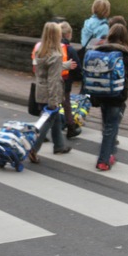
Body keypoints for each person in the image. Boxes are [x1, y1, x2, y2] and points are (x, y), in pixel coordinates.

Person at [91, 24, 128, 171]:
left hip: (100, 93)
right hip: (116, 95)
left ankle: (109, 154)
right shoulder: (124, 54)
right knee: (111, 127)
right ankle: (103, 160)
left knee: (108, 125)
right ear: (125, 37)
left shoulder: (100, 51)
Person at [28, 22, 75, 164]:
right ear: (56, 36)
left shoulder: (40, 51)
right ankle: (33, 149)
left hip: (40, 90)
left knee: (54, 119)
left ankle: (59, 145)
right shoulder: (56, 55)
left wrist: (65, 65)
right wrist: (54, 101)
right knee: (47, 122)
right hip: (50, 94)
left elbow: (47, 69)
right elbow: (54, 80)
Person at [59, 21, 82, 138]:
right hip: (65, 81)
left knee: (51, 105)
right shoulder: (70, 49)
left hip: (51, 80)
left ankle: (50, 127)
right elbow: (77, 67)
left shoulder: (53, 46)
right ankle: (70, 127)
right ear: (68, 34)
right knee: (66, 104)